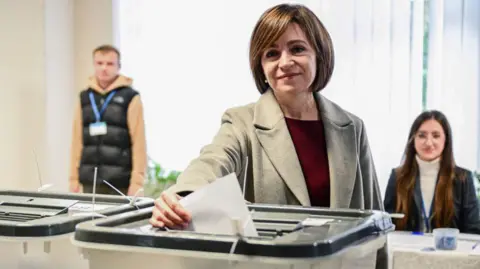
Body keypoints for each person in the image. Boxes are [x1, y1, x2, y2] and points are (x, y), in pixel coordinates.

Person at [150, 3, 382, 228]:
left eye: (297, 49)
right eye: (272, 54)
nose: (285, 62)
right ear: (261, 67)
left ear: (319, 55)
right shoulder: (241, 122)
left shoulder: (352, 127)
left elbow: (375, 217)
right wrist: (181, 196)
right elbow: (212, 162)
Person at [384, 110, 480, 234]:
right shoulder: (398, 176)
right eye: (422, 135)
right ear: (413, 139)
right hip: (406, 251)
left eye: (436, 136)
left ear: (446, 140)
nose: (429, 143)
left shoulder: (462, 178)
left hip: (450, 252)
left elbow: (473, 229)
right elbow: (386, 225)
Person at [69, 45, 147, 196]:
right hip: (90, 180)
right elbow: (76, 140)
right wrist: (73, 178)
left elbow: (139, 142)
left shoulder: (130, 97)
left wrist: (137, 182)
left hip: (120, 181)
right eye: (99, 63)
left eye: (110, 64)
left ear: (119, 66)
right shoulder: (85, 97)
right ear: (94, 65)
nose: (104, 68)